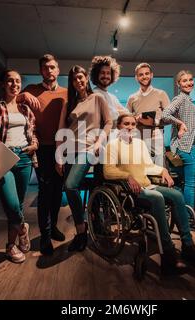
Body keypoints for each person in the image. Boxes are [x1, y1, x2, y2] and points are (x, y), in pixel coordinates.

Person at [104, 114, 195, 273]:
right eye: (126, 124)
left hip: (146, 185)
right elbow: (108, 171)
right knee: (157, 198)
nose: (129, 127)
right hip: (127, 191)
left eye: (133, 124)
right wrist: (127, 176)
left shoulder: (140, 144)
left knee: (176, 194)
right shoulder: (112, 146)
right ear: (119, 127)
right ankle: (168, 254)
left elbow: (147, 167)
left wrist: (163, 170)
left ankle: (188, 246)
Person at [0, 70, 39, 263]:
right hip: (3, 156)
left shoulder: (26, 110)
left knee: (16, 206)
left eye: (17, 81)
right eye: (10, 81)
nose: (14, 84)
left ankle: (10, 246)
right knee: (12, 205)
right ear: (3, 84)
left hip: (24, 158)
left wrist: (35, 145)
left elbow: (33, 133)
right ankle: (23, 229)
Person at [60, 65, 113, 252]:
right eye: (75, 79)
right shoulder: (69, 103)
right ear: (72, 82)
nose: (79, 81)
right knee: (69, 189)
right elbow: (62, 131)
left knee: (70, 185)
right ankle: (81, 234)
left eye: (81, 77)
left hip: (90, 148)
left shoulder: (97, 98)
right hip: (69, 150)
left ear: (86, 78)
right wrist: (59, 155)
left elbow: (109, 122)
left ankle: (86, 226)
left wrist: (100, 141)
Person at [19, 54, 67, 255]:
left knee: (57, 191)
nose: (49, 70)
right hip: (40, 148)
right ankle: (45, 236)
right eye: (46, 67)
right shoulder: (31, 90)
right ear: (41, 71)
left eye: (53, 67)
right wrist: (23, 95)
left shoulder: (66, 92)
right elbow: (13, 99)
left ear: (58, 70)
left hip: (62, 148)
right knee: (45, 191)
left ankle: (53, 225)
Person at [161, 70, 195, 232]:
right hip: (186, 147)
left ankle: (183, 214)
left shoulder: (188, 100)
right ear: (178, 84)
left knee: (187, 183)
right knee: (191, 183)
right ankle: (188, 219)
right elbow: (164, 115)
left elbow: (192, 123)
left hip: (194, 144)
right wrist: (178, 123)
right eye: (184, 81)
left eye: (191, 80)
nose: (189, 83)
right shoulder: (181, 98)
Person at [126, 63, 170, 167]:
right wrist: (136, 119)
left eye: (147, 73)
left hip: (156, 135)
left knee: (159, 167)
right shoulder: (132, 98)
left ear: (151, 75)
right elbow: (127, 120)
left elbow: (170, 117)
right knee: (140, 168)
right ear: (136, 78)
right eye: (141, 74)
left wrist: (154, 122)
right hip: (138, 137)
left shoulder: (161, 94)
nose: (144, 76)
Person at [89, 55, 126, 124]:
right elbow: (112, 116)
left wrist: (117, 112)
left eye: (108, 73)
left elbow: (126, 113)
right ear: (96, 74)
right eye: (102, 73)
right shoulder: (93, 94)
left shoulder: (112, 97)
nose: (105, 76)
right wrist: (118, 112)